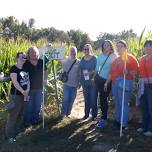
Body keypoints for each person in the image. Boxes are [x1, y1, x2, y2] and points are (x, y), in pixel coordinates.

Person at [105, 40, 139, 129]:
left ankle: (123, 124)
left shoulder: (130, 58)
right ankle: (117, 120)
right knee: (117, 103)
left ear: (125, 47)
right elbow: (111, 73)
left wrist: (128, 71)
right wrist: (106, 82)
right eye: (118, 46)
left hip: (125, 83)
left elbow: (136, 72)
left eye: (121, 46)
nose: (119, 48)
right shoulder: (116, 59)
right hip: (115, 84)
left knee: (123, 103)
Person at [5, 52, 30, 143]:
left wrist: (27, 90)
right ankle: (9, 136)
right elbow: (15, 82)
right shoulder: (14, 68)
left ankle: (16, 132)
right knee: (13, 116)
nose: (24, 59)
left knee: (20, 114)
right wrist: (23, 91)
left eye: (25, 57)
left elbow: (28, 80)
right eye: (22, 57)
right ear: (17, 58)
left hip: (25, 95)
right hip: (16, 95)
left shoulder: (25, 67)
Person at [94, 40, 117, 128]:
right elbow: (97, 68)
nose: (105, 47)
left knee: (105, 98)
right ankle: (103, 117)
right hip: (100, 79)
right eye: (104, 45)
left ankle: (106, 117)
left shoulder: (114, 56)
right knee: (102, 98)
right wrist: (93, 78)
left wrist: (107, 82)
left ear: (111, 46)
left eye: (107, 45)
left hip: (109, 80)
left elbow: (113, 70)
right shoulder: (100, 56)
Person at [23, 46, 47, 127]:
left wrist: (45, 79)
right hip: (28, 89)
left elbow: (46, 71)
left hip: (39, 88)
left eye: (35, 52)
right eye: (31, 52)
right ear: (28, 54)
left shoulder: (41, 61)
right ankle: (27, 122)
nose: (33, 53)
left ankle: (35, 119)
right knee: (28, 106)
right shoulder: (25, 63)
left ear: (37, 53)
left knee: (37, 105)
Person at [137, 40, 152, 136]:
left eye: (150, 46)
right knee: (144, 107)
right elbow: (139, 72)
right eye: (146, 46)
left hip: (151, 85)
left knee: (151, 107)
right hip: (142, 85)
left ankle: (150, 129)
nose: (148, 48)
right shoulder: (141, 58)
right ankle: (144, 126)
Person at [79, 44, 97, 120]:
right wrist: (80, 81)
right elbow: (80, 70)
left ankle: (94, 115)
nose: (86, 50)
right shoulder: (82, 59)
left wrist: (90, 74)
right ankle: (86, 114)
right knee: (86, 99)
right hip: (84, 82)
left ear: (90, 50)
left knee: (93, 99)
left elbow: (97, 70)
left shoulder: (94, 58)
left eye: (87, 49)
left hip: (93, 82)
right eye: (85, 49)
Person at [60, 46, 80, 117]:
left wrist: (79, 82)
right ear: (69, 52)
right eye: (71, 51)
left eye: (74, 51)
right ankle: (63, 113)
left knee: (72, 99)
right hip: (66, 84)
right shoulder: (65, 59)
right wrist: (50, 48)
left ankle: (68, 113)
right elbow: (55, 56)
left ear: (76, 52)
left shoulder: (78, 62)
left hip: (74, 84)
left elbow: (79, 73)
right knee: (65, 98)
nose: (73, 52)